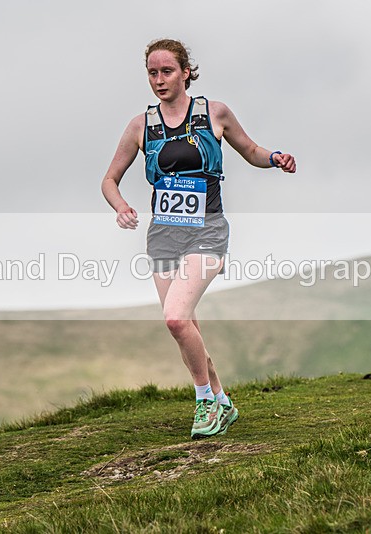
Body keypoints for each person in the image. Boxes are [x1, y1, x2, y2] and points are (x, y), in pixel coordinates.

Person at [101, 38, 296, 439]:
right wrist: (120, 207)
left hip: (207, 230)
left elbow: (251, 150)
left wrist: (275, 158)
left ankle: (204, 400)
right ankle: (222, 401)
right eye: (152, 73)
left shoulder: (214, 113)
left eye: (167, 71)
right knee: (186, 325)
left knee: (175, 318)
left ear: (186, 72)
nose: (159, 80)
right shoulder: (141, 126)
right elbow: (109, 180)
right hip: (163, 236)